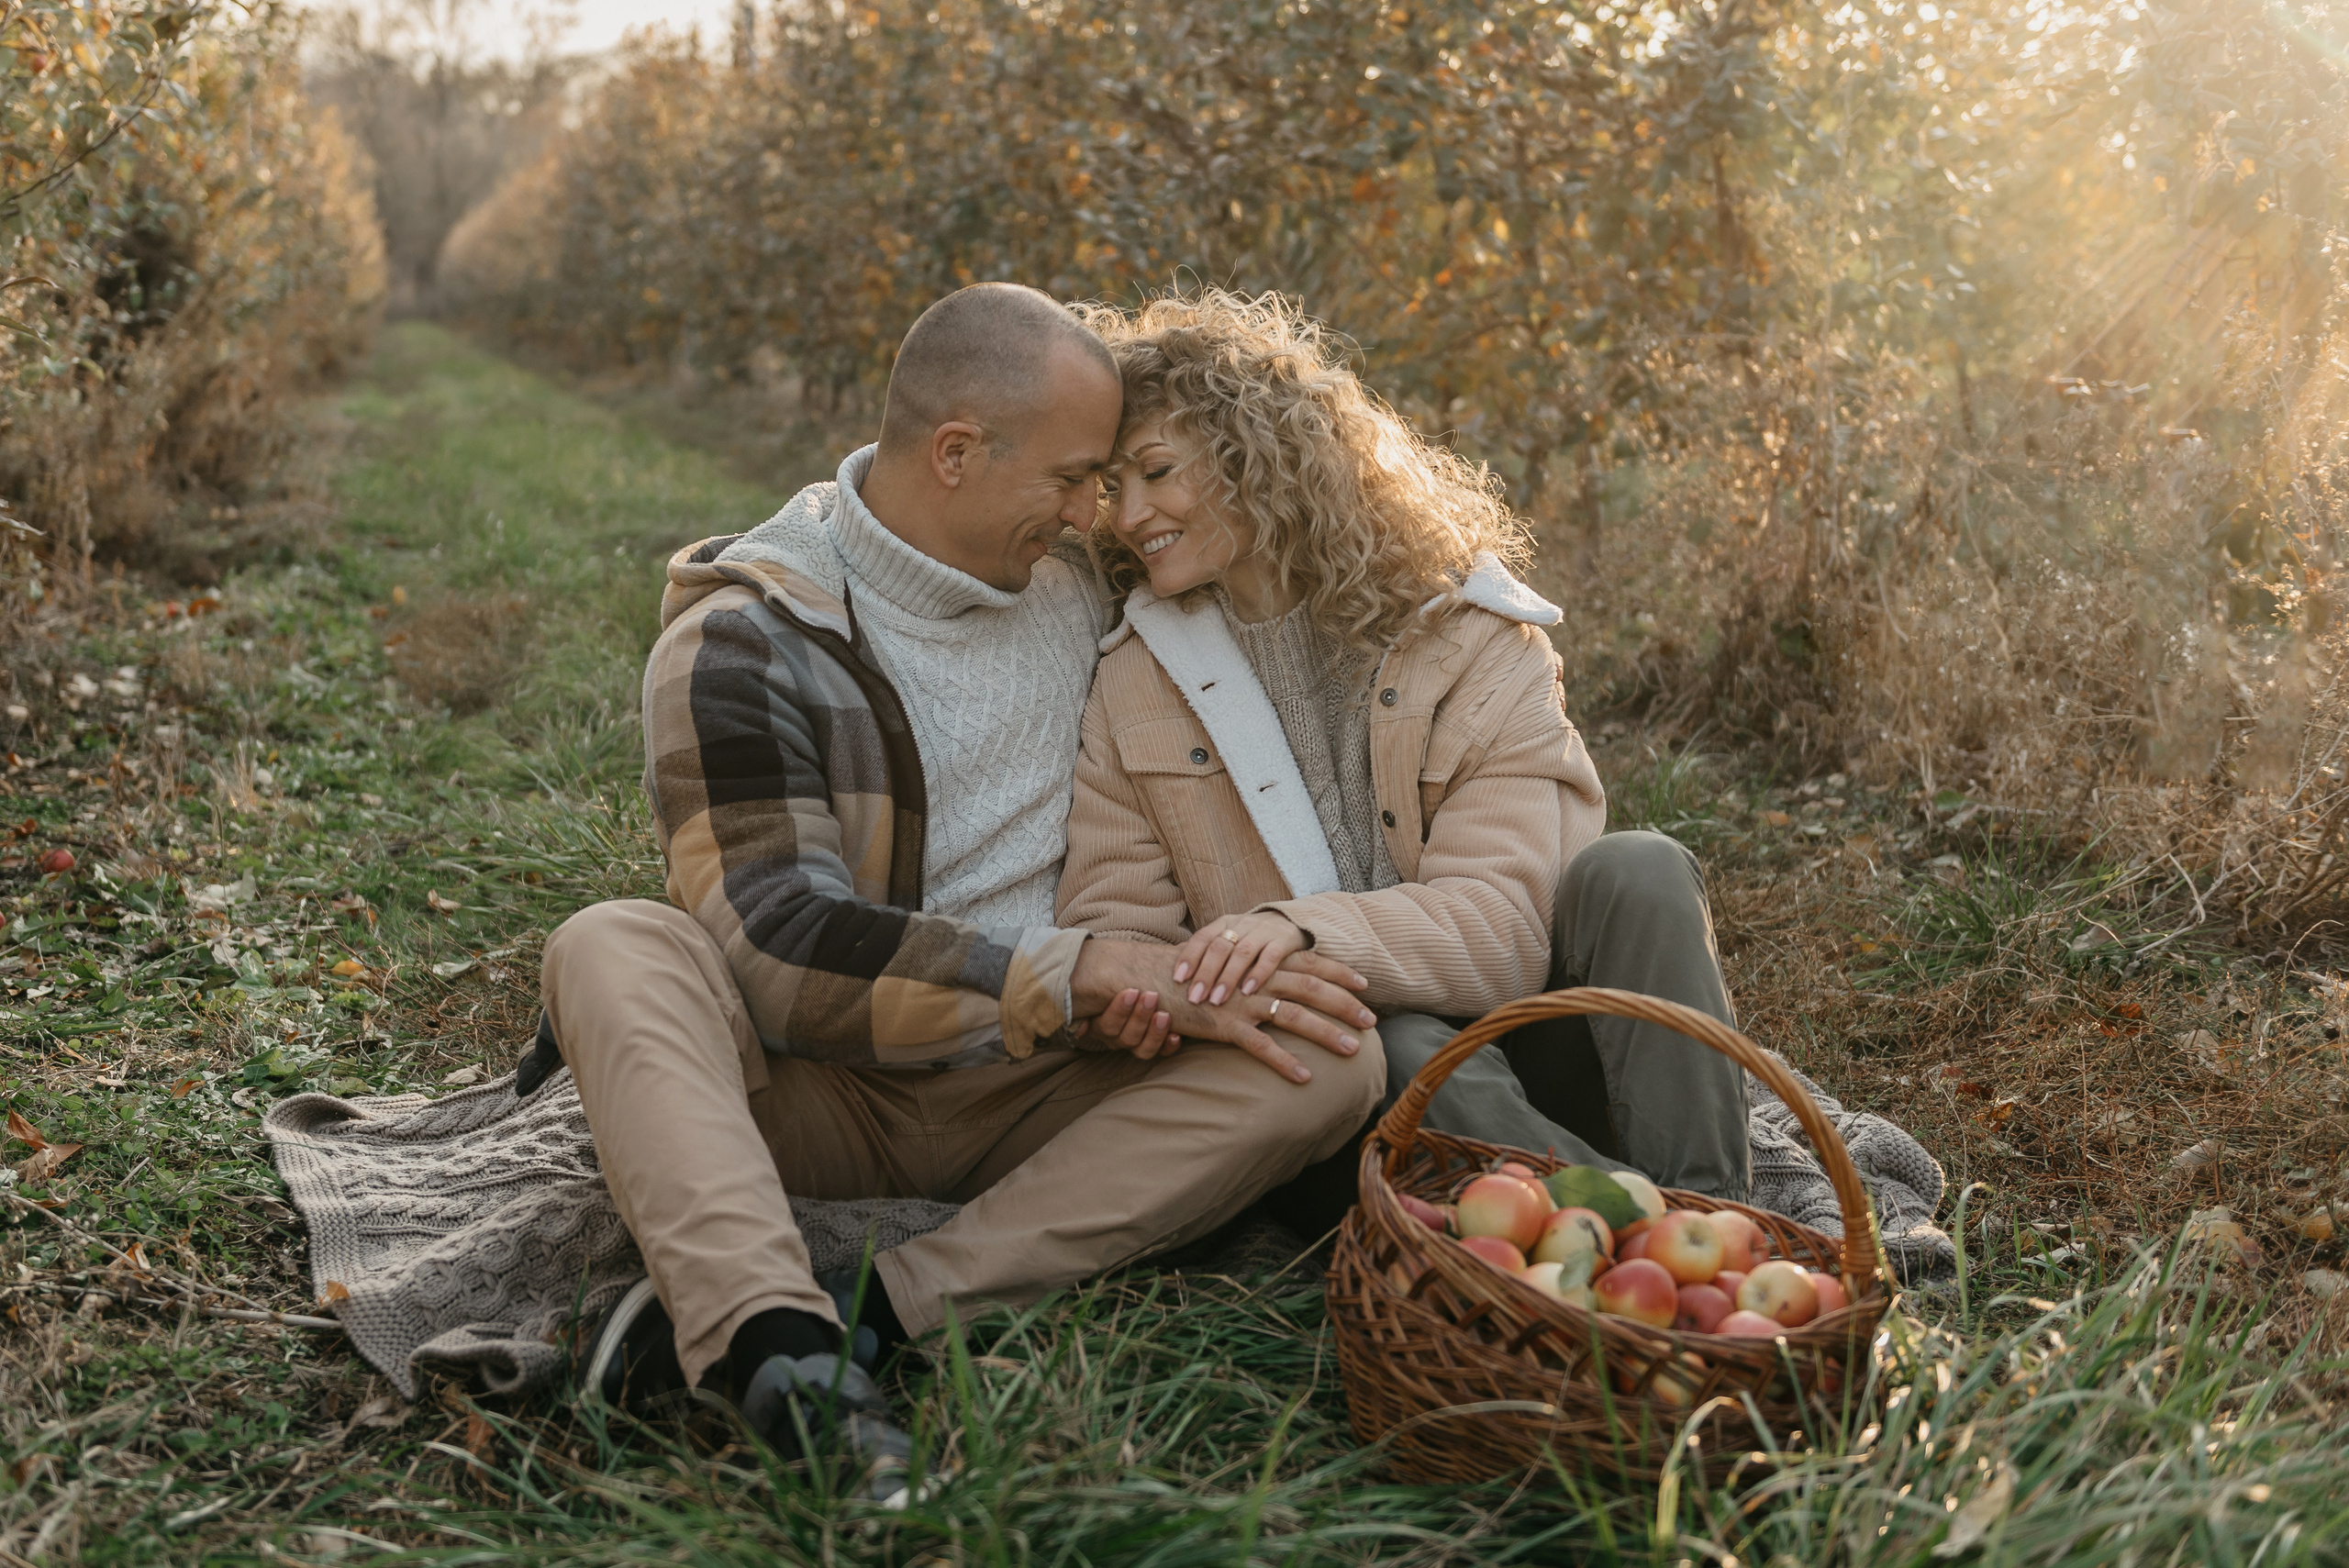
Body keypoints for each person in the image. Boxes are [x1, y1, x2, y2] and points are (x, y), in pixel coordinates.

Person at [540, 284, 1385, 1501]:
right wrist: (1079, 972)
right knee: (613, 944)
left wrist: (1137, 978)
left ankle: (878, 1311)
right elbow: (777, 951)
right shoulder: (745, 638)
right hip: (823, 1090)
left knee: (1329, 1054)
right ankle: (772, 1351)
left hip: (1045, 1081)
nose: (1097, 511)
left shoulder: (1089, 587)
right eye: (1073, 478)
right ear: (953, 454)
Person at [1056, 289, 1751, 1235]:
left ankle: (1719, 1216)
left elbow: (1507, 929)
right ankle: (1661, 1247)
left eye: (1156, 471)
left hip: (1536, 1046)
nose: (1129, 513)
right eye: (1111, 484)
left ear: (1258, 458)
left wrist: (1300, 929)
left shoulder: (1470, 636)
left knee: (1640, 868)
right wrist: (1144, 1001)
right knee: (1393, 1035)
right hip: (1343, 1097)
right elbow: (1112, 928)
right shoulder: (1135, 679)